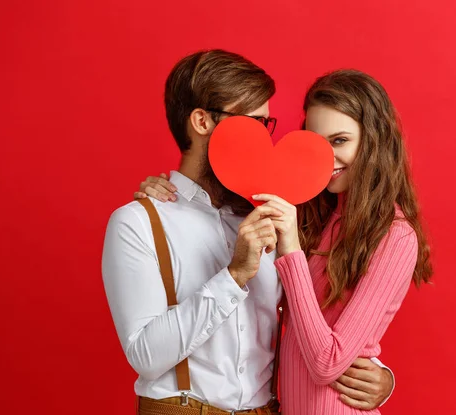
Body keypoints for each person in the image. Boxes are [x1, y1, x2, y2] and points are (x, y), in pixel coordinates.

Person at [102, 50, 394, 415]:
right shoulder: (139, 222)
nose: (263, 139)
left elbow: (316, 318)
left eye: (265, 125)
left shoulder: (274, 215)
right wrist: (234, 275)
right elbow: (145, 356)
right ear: (201, 121)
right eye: (252, 123)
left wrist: (377, 374)